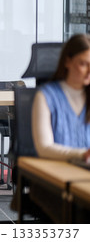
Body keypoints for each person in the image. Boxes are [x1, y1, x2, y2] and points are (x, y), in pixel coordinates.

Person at [32, 34, 90, 162]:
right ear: (67, 61)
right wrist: (83, 154)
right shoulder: (46, 96)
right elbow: (44, 148)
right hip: (57, 171)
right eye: (83, 64)